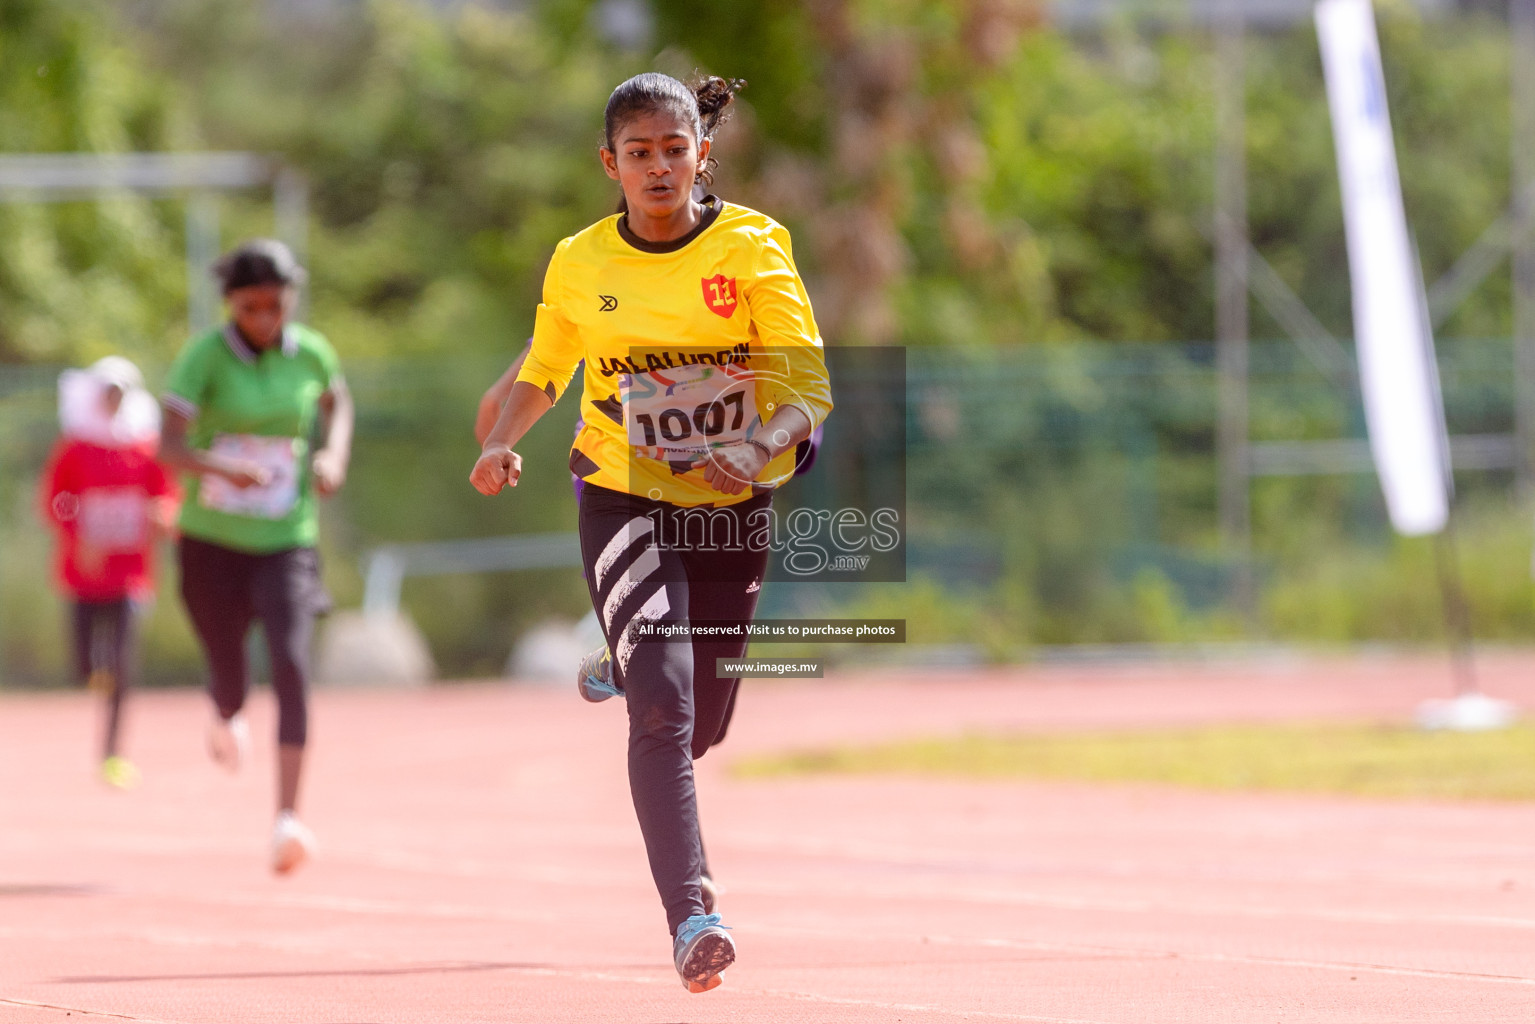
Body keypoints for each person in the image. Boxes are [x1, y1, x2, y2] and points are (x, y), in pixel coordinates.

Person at [471, 73, 832, 993]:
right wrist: (504, 442)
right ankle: (693, 915)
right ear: (611, 165)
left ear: (701, 153)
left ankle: (624, 662)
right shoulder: (579, 261)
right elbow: (545, 368)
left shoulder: (754, 248)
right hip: (623, 493)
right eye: (639, 154)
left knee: (702, 722)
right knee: (664, 711)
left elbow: (807, 389)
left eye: (675, 149)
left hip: (732, 502)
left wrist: (754, 448)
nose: (659, 167)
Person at [158, 239, 353, 875]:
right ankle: (225, 707)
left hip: (286, 536)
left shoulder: (312, 352)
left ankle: (288, 820)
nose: (266, 319)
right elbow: (168, 445)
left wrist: (332, 456)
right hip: (212, 539)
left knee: (292, 661)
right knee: (228, 664)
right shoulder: (204, 357)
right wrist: (222, 467)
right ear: (231, 306)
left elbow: (337, 401)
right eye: (251, 308)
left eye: (277, 305)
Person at [39, 357, 178, 789]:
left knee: (122, 664)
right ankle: (95, 676)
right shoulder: (76, 446)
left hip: (131, 575)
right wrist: (78, 533)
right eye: (108, 392)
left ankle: (113, 753)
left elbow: (165, 492)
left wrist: (164, 513)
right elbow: (55, 498)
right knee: (86, 664)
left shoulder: (144, 446)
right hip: (84, 573)